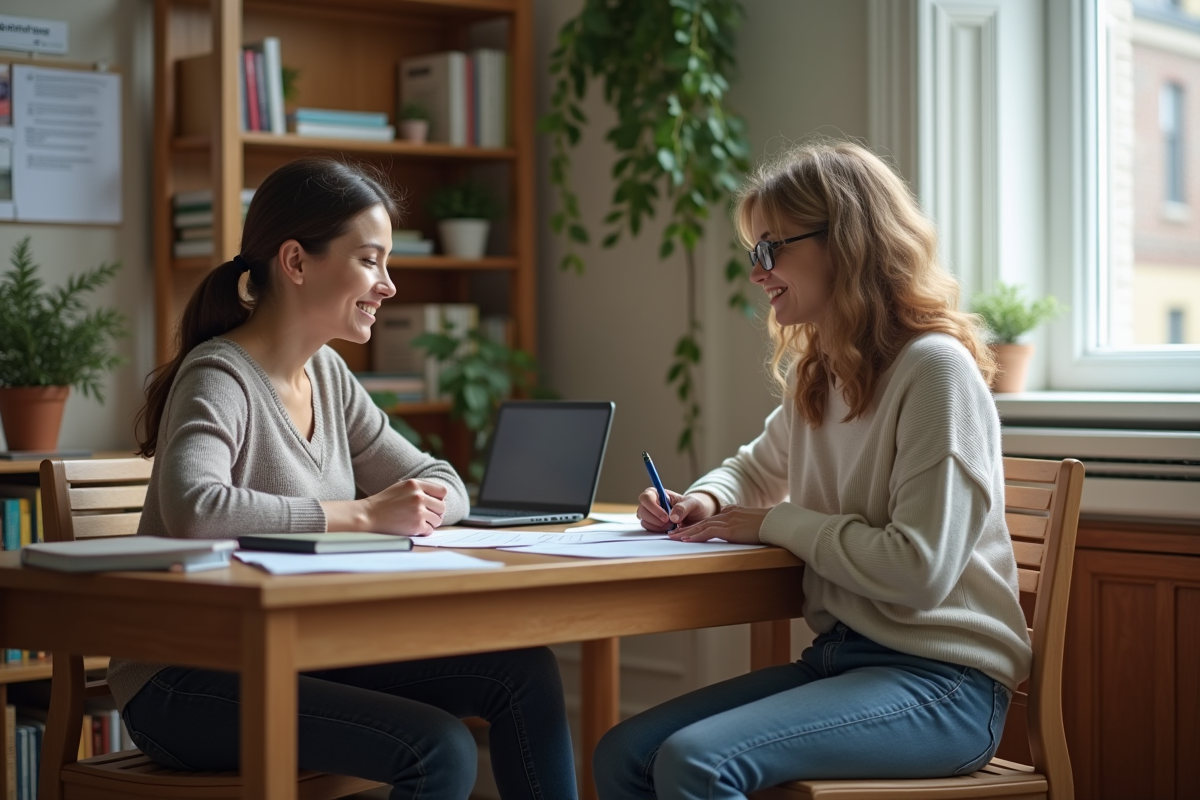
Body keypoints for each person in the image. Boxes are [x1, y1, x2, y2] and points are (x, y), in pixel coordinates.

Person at [118, 157, 577, 800]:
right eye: (370, 260)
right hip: (184, 680)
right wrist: (362, 515)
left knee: (524, 672)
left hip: (297, 653)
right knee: (438, 747)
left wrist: (412, 506)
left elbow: (444, 481)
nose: (388, 285)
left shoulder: (328, 376)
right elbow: (198, 508)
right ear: (297, 262)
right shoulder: (218, 376)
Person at [594, 140, 1031, 800]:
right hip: (842, 660)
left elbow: (918, 571)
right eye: (753, 252)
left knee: (697, 764)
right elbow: (757, 468)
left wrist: (774, 523)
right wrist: (707, 502)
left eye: (772, 249)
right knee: (624, 753)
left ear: (848, 241)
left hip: (945, 684)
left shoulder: (934, 371)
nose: (757, 271)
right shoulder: (820, 372)